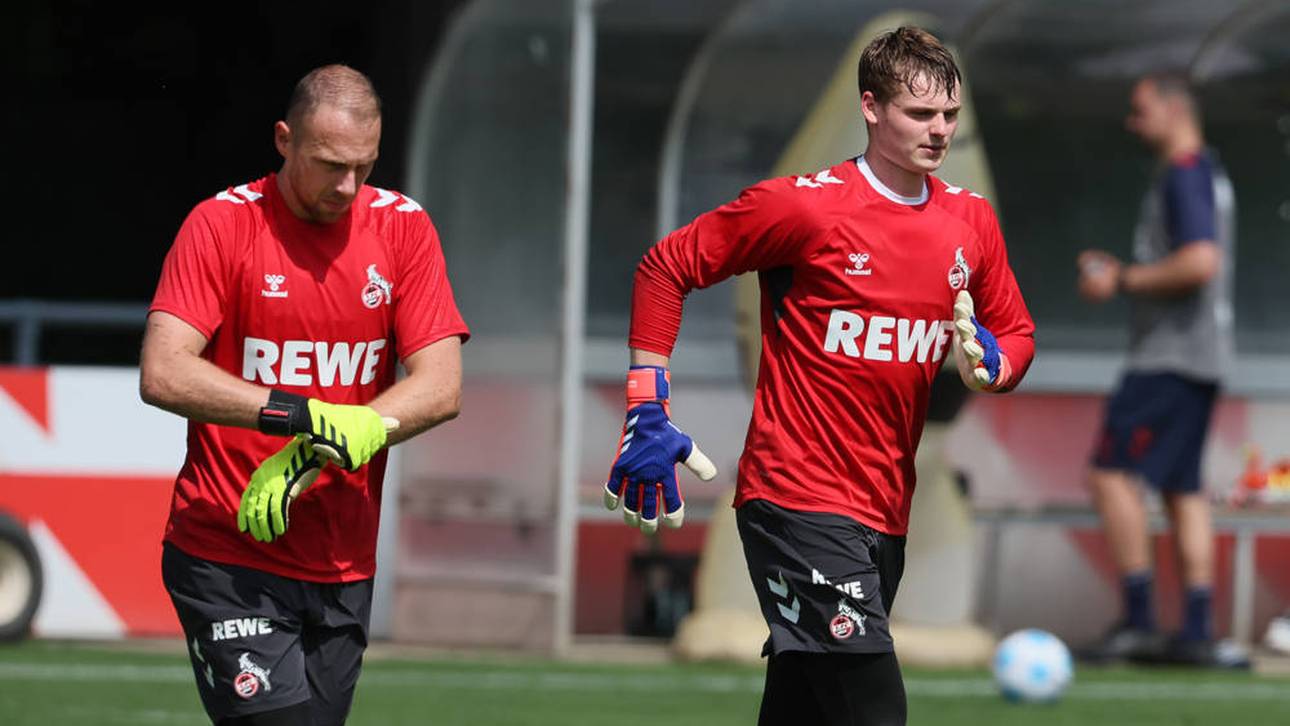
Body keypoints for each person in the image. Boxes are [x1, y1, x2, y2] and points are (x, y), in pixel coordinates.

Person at [602, 27, 1034, 726]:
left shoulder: (970, 222)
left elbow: (1015, 333)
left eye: (949, 115)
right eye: (920, 114)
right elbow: (667, 267)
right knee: (872, 707)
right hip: (794, 498)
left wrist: (996, 362)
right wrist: (646, 404)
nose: (940, 131)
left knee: (805, 706)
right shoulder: (804, 207)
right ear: (870, 107)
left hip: (885, 509)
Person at [140, 64, 469, 725]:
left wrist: (357, 430)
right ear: (284, 140)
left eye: (363, 167)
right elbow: (164, 371)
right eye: (328, 164)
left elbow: (441, 385)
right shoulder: (220, 225)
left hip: (343, 562)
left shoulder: (405, 229)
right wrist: (302, 416)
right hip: (227, 552)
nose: (347, 186)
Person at [1076, 72, 1242, 668]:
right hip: (1201, 357)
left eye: (1141, 108)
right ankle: (1196, 631)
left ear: (1174, 110)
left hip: (1169, 357)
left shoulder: (1185, 174)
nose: (1133, 120)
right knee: (1181, 487)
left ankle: (1141, 622)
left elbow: (1200, 262)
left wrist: (1120, 278)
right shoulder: (1207, 172)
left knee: (1110, 473)